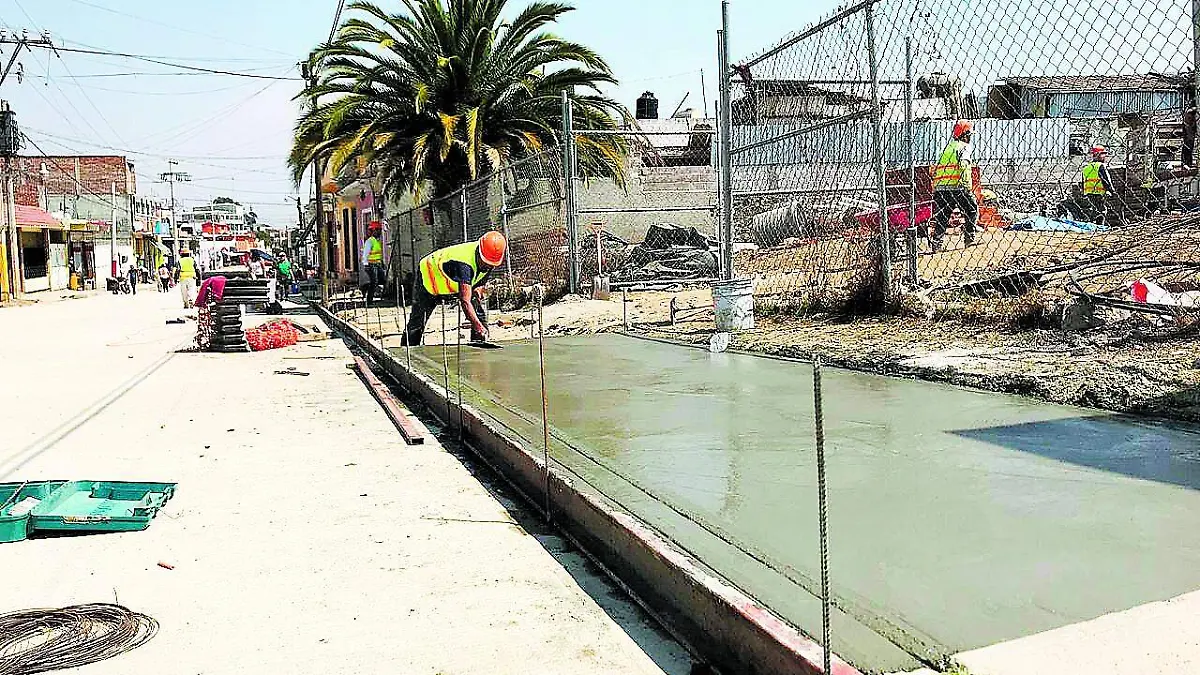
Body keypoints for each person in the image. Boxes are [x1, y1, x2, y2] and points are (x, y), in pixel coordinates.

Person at [402, 232, 507, 346]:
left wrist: (478, 294)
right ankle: (407, 353)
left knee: (478, 312)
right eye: (486, 264)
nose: (489, 267)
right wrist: (478, 327)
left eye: (491, 265)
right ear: (480, 253)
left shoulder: (489, 259)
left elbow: (480, 280)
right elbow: (465, 301)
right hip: (429, 276)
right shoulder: (464, 264)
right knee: (418, 322)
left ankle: (479, 349)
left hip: (452, 280)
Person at [931, 119, 978, 252]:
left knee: (942, 216)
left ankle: (937, 244)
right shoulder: (964, 147)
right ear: (965, 135)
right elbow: (963, 164)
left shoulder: (947, 148)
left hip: (941, 189)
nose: (970, 138)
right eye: (969, 135)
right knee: (971, 209)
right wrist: (965, 185)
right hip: (957, 186)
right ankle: (969, 239)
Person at [1081, 145, 1114, 224]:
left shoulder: (1086, 167)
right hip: (1099, 192)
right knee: (1102, 210)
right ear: (1097, 154)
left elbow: (1083, 182)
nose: (1105, 156)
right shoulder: (1100, 166)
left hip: (1089, 193)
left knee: (1094, 209)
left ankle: (1092, 224)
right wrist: (1111, 190)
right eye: (1103, 154)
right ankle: (1099, 227)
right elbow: (1105, 180)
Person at [361, 221, 385, 305]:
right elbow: (365, 254)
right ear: (373, 230)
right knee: (374, 281)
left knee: (382, 280)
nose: (379, 232)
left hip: (377, 264)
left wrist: (381, 262)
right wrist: (366, 265)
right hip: (371, 265)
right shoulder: (370, 241)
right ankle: (369, 300)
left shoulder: (376, 241)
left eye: (379, 230)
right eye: (377, 230)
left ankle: (365, 289)